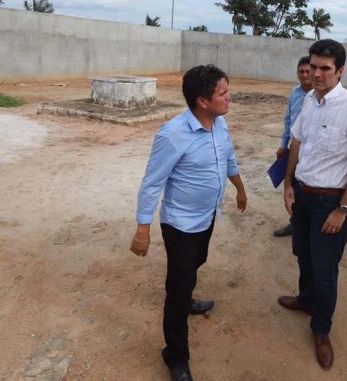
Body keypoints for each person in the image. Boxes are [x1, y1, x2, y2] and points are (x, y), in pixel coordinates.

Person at [130, 64, 247, 381]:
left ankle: (187, 297)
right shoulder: (173, 134)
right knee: (177, 290)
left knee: (198, 261)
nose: (229, 97)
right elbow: (152, 183)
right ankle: (176, 356)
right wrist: (142, 229)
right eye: (223, 93)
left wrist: (240, 188)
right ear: (202, 101)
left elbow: (229, 160)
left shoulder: (220, 124)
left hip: (207, 217)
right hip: (180, 225)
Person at [279, 39, 347, 370]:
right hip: (303, 197)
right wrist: (288, 184)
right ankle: (306, 300)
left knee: (324, 271)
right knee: (303, 255)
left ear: (340, 71)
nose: (317, 74)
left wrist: (342, 209)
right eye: (314, 66)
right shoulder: (309, 99)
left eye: (325, 68)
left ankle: (321, 329)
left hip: (330, 203)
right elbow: (297, 141)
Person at [273, 55, 313, 237]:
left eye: (307, 71)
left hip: (312, 151)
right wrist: (283, 145)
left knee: (309, 187)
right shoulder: (294, 93)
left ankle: (310, 226)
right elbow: (288, 121)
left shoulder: (320, 95)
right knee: (292, 185)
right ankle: (295, 223)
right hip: (294, 149)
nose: (304, 75)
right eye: (301, 71)